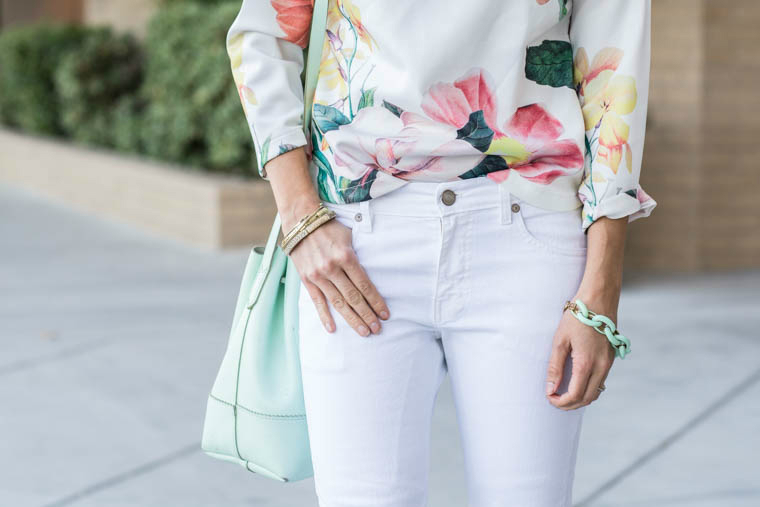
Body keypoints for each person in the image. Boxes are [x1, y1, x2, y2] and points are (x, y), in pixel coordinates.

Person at [226, 0, 656, 505]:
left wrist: (600, 290)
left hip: (528, 235)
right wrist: (300, 215)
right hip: (360, 242)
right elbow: (263, 32)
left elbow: (614, 73)